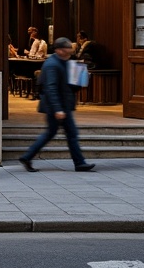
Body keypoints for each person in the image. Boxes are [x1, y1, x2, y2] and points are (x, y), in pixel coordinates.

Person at [19, 36, 95, 173]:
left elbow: (70, 85)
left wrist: (81, 78)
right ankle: (79, 163)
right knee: (69, 133)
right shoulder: (52, 65)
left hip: (62, 105)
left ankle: (27, 156)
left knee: (54, 133)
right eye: (67, 49)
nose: (70, 51)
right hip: (57, 107)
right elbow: (51, 88)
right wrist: (58, 109)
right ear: (59, 50)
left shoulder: (64, 62)